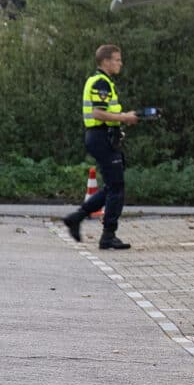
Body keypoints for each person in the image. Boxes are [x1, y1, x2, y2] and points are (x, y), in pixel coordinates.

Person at [62, 45, 139, 249]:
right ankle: (107, 235)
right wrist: (124, 117)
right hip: (100, 136)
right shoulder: (101, 82)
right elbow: (98, 113)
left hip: (101, 137)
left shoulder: (101, 81)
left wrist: (125, 118)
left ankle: (76, 218)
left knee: (113, 186)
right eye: (117, 59)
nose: (120, 63)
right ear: (105, 61)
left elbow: (105, 111)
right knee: (117, 188)